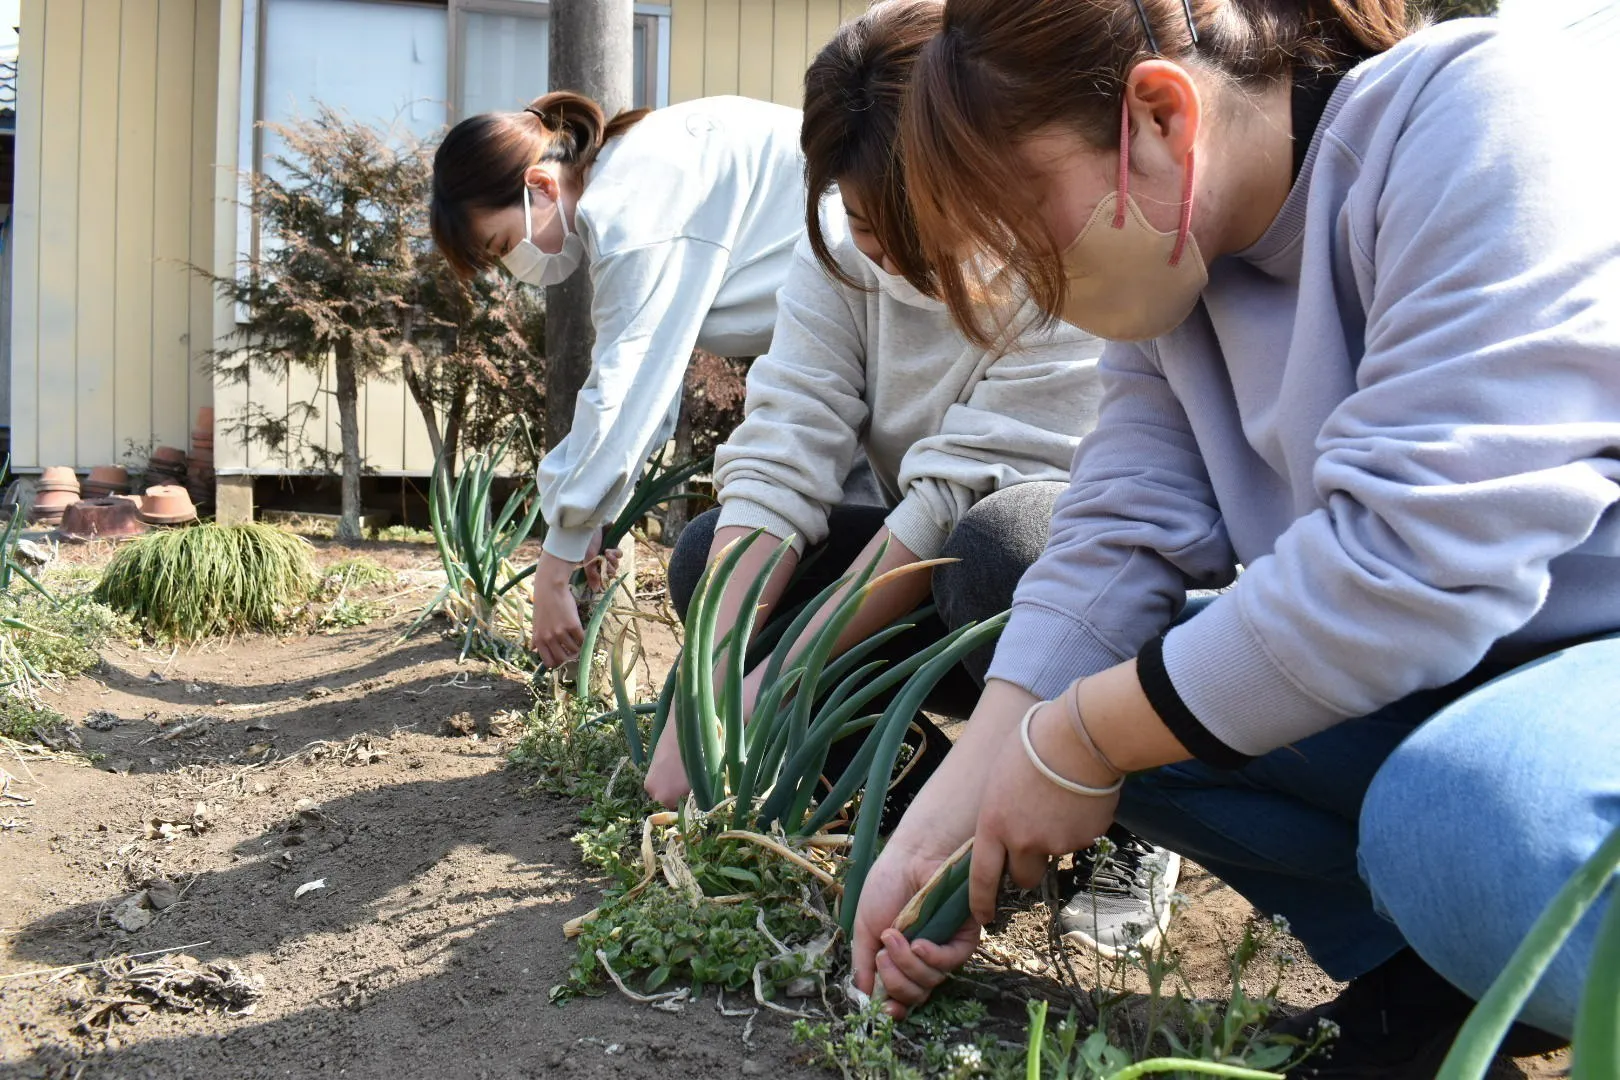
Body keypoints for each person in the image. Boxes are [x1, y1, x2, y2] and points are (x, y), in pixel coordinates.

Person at [852, 0, 1620, 1075]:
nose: (1026, 273)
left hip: (1581, 663)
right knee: (1046, 644)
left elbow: (1410, 570)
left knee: (1469, 818)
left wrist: (1076, 743)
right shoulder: (1183, 279)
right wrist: (943, 824)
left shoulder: (1478, 118)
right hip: (1476, 669)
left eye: (1025, 214)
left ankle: (1483, 912)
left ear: (1158, 115)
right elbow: (1114, 543)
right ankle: (1436, 978)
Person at [644, 1, 1180, 952]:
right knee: (706, 563)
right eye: (863, 220)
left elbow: (952, 500)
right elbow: (785, 448)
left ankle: (1135, 824)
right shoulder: (841, 257)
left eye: (919, 225)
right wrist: (713, 683)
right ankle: (905, 805)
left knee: (1006, 541)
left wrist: (777, 680)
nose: (889, 256)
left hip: (1058, 582)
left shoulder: (1069, 257)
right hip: (923, 569)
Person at [431, 91, 823, 669]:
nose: (516, 268)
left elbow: (623, 390)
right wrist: (595, 524)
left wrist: (555, 568)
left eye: (504, 245)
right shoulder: (632, 174)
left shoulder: (630, 202)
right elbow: (651, 393)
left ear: (539, 187)